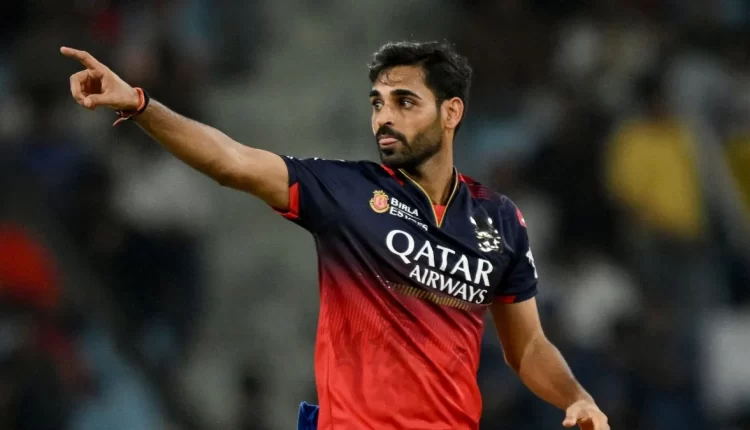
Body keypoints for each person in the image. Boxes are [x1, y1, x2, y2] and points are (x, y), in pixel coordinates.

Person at [60, 41, 609, 430]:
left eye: (404, 102)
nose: (384, 118)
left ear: (451, 113)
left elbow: (527, 346)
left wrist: (577, 398)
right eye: (377, 103)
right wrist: (139, 104)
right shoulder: (345, 191)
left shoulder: (500, 219)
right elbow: (232, 162)